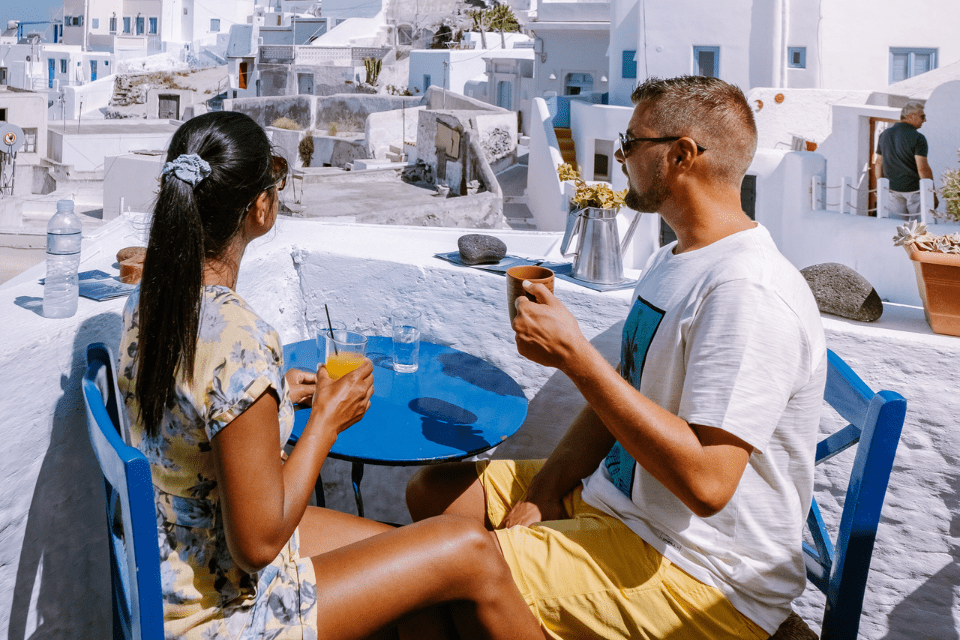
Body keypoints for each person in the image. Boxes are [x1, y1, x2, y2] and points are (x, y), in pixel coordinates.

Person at [407, 76, 827, 640]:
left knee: (447, 572)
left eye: (630, 143)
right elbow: (622, 399)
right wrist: (549, 486)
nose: (620, 157)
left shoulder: (746, 291)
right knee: (433, 492)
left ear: (682, 155)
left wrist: (578, 358)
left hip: (701, 570)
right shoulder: (673, 259)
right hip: (622, 502)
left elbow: (707, 486)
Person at [117, 111, 542, 640]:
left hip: (175, 568)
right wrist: (325, 421)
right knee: (470, 549)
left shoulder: (148, 296)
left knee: (418, 564)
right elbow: (257, 544)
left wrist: (273, 398)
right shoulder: (238, 337)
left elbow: (195, 413)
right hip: (222, 610)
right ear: (261, 207)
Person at [874, 101, 937, 219]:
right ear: (911, 116)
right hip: (915, 191)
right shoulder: (918, 138)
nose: (924, 120)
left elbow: (878, 163)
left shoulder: (884, 134)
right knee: (920, 228)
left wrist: (881, 188)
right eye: (922, 116)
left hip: (892, 190)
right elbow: (922, 168)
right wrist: (932, 194)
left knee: (895, 227)